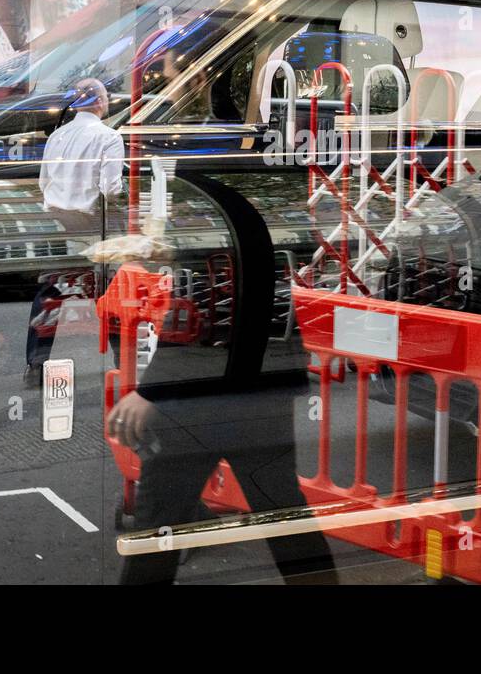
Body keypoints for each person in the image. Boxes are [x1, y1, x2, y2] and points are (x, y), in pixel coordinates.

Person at [106, 173, 338, 585]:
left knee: (160, 519)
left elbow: (197, 322)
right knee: (281, 508)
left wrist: (150, 391)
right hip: (265, 386)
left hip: (202, 398)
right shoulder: (266, 211)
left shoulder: (211, 229)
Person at [25, 78, 124, 384]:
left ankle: (36, 365)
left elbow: (43, 183)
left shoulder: (57, 136)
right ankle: (123, 363)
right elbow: (111, 190)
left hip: (57, 224)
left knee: (49, 295)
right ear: (99, 103)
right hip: (91, 225)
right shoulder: (109, 137)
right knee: (110, 293)